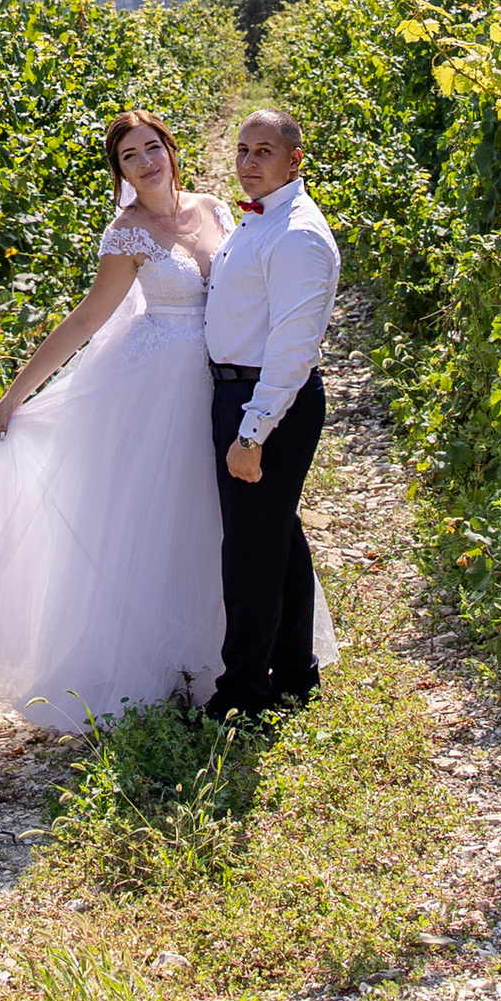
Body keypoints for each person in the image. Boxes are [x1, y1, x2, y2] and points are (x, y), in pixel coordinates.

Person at [0, 108, 234, 730]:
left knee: (217, 511)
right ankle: (167, 672)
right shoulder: (128, 234)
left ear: (170, 148)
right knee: (165, 519)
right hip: (160, 384)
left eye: (152, 147)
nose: (146, 161)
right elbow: (87, 319)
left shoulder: (214, 208)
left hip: (220, 376)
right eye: (130, 156)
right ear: (120, 172)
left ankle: (221, 656)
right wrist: (17, 393)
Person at [200, 107, 340, 720]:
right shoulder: (258, 221)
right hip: (242, 393)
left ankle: (243, 696)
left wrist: (252, 432)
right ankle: (293, 675)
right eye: (242, 150)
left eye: (264, 151)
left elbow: (292, 347)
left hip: (267, 401)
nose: (249, 162)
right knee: (277, 538)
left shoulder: (299, 235)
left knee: (250, 552)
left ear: (294, 160)